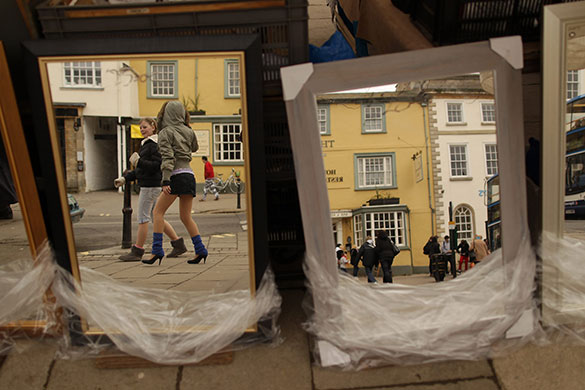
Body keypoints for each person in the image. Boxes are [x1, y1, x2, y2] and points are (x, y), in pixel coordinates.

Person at [143, 101, 208, 266]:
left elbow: (167, 157)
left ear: (166, 114)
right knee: (186, 216)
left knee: (157, 212)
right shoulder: (189, 131)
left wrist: (165, 180)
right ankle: (200, 249)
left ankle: (156, 250)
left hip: (175, 176)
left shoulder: (165, 132)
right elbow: (194, 148)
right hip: (189, 175)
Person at [114, 117, 187, 261]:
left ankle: (137, 251)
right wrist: (125, 178)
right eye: (140, 127)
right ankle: (178, 244)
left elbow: (156, 165)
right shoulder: (148, 144)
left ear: (153, 127)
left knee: (143, 217)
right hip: (152, 185)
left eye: (145, 127)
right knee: (156, 217)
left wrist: (138, 161)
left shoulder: (153, 145)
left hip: (149, 187)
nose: (142, 130)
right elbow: (143, 170)